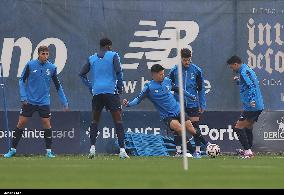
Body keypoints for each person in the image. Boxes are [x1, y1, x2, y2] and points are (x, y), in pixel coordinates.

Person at [123, 64, 208, 158]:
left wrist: (190, 96)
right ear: (153, 75)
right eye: (160, 74)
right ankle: (193, 152)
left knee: (192, 130)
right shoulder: (148, 87)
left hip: (178, 110)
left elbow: (178, 89)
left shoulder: (167, 81)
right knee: (180, 129)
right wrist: (129, 104)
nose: (163, 76)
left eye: (163, 73)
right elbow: (138, 99)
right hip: (167, 116)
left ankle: (208, 145)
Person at [4, 46, 69, 158]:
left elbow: (58, 86)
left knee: (46, 124)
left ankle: (48, 152)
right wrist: (23, 96)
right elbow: (21, 80)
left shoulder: (52, 68)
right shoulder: (30, 65)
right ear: (38, 54)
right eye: (43, 54)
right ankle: (12, 150)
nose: (45, 56)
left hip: (44, 102)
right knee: (21, 123)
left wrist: (64, 102)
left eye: (47, 54)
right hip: (29, 101)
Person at [79, 38, 129, 159]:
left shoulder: (92, 58)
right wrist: (119, 87)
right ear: (109, 46)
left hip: (97, 92)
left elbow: (81, 74)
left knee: (94, 121)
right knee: (118, 120)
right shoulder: (113, 55)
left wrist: (90, 87)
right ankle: (122, 150)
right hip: (110, 91)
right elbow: (119, 72)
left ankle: (92, 149)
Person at [168, 48, 210, 155]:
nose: (187, 62)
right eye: (185, 60)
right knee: (178, 128)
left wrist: (202, 104)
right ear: (181, 59)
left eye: (188, 60)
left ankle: (197, 150)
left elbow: (200, 89)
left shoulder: (197, 70)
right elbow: (168, 85)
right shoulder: (175, 70)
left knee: (194, 127)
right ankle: (178, 151)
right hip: (178, 104)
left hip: (193, 104)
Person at [227, 55, 264, 158]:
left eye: (232, 67)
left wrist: (252, 99)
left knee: (237, 127)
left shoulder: (243, 72)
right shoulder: (246, 70)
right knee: (248, 127)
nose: (232, 69)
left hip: (252, 106)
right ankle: (249, 151)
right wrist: (238, 81)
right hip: (257, 105)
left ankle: (248, 152)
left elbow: (252, 85)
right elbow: (249, 84)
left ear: (236, 64)